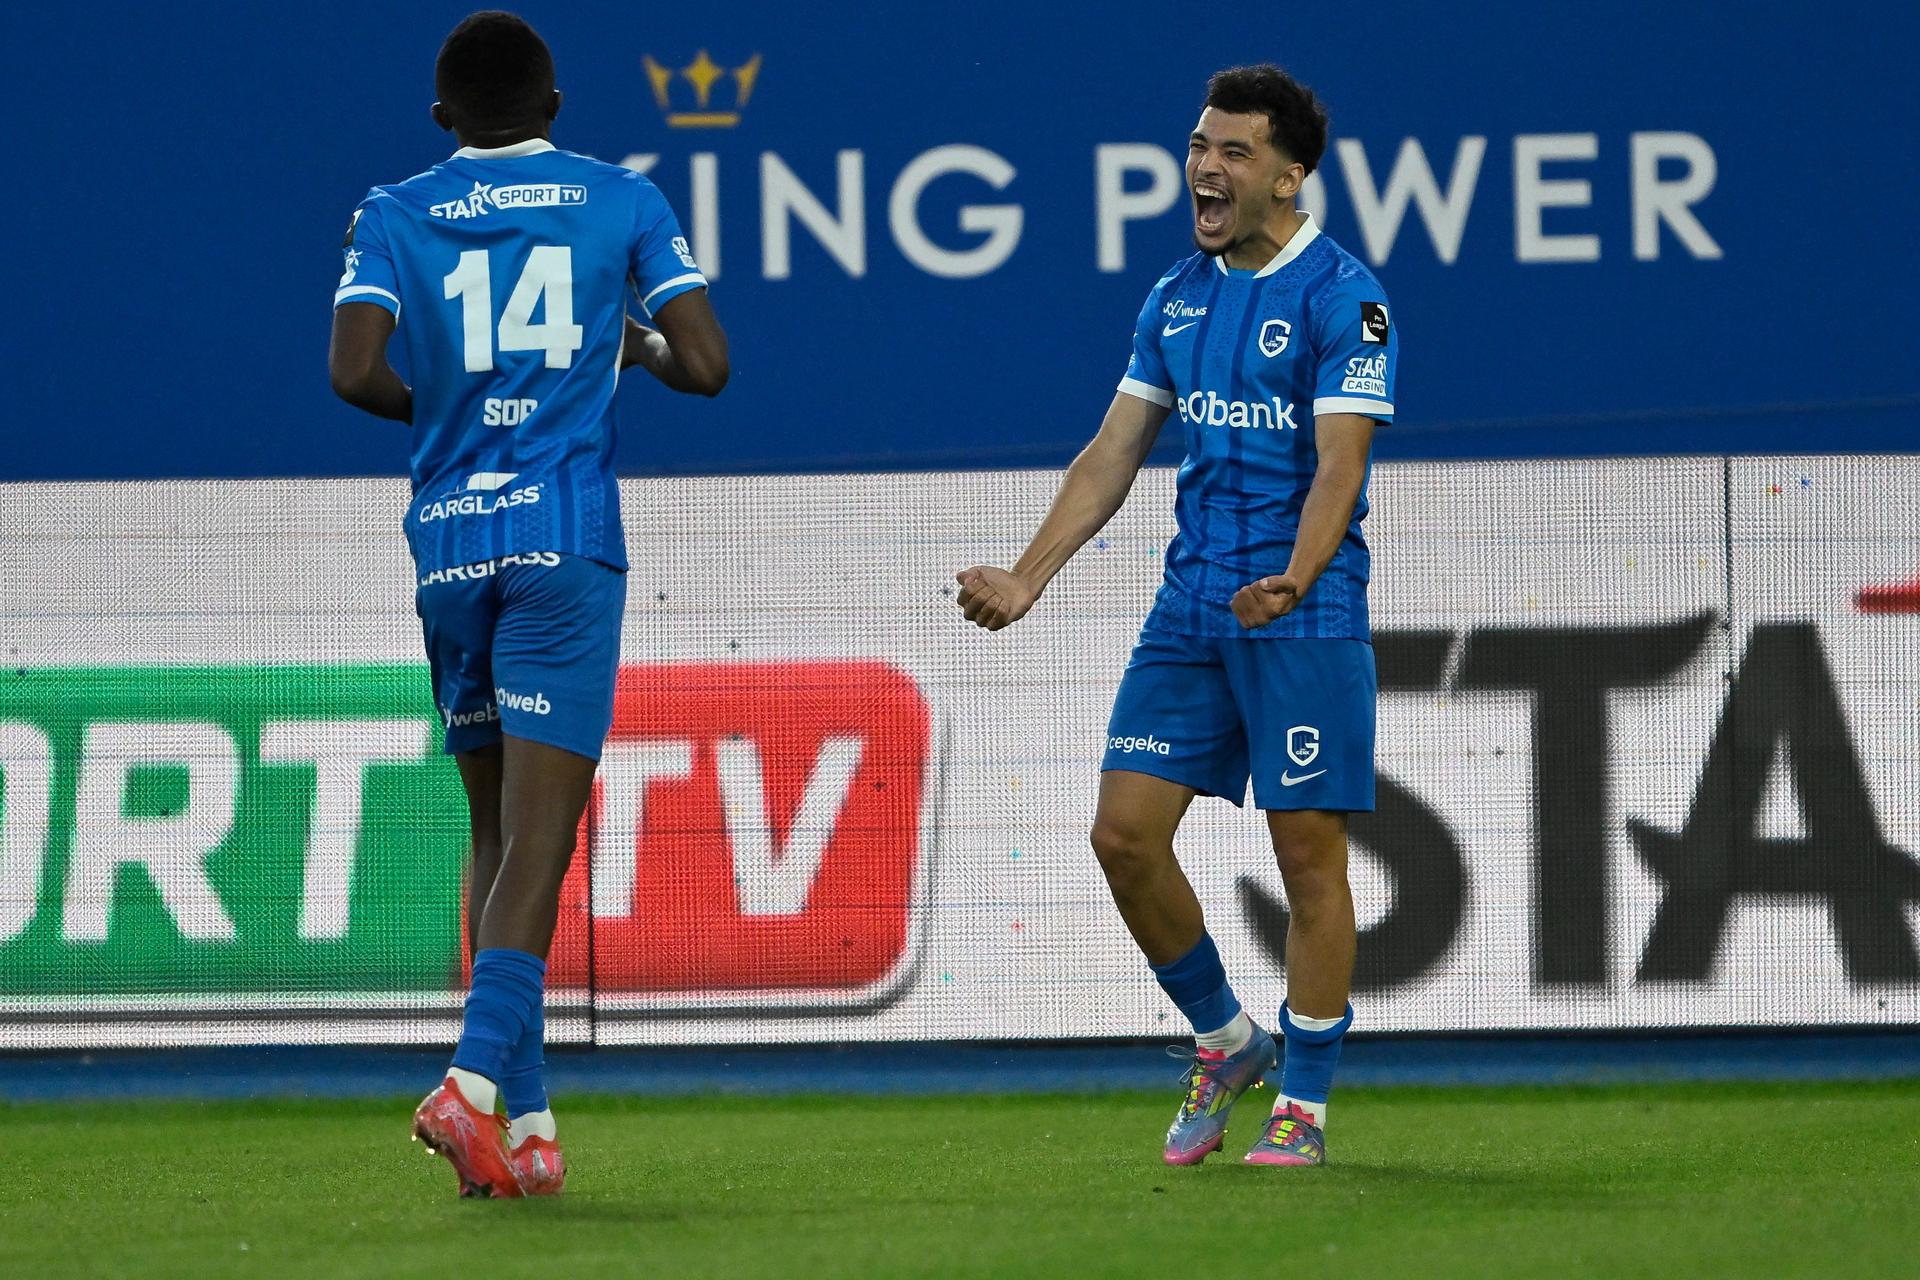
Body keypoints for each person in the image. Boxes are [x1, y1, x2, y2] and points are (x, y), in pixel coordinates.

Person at [955, 63, 1397, 1167]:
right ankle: (1224, 1037)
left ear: (1290, 177)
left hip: (1302, 611)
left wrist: (1295, 577)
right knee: (1123, 835)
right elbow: (1113, 453)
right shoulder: (1174, 297)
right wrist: (1028, 575)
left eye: (1235, 151)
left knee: (1308, 859)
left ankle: (1305, 1102)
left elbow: (1339, 470)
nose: (1205, 166)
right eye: (1200, 145)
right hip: (1192, 606)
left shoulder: (1346, 298)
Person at [328, 9, 727, 1197]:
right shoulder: (623, 201)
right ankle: (470, 1080)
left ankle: (530, 1127)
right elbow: (708, 363)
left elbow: (353, 370)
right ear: (555, 109)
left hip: (449, 541)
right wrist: (641, 354)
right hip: (563, 535)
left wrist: (453, 419)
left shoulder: (392, 210)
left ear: (443, 117)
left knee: (495, 828)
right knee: (546, 834)